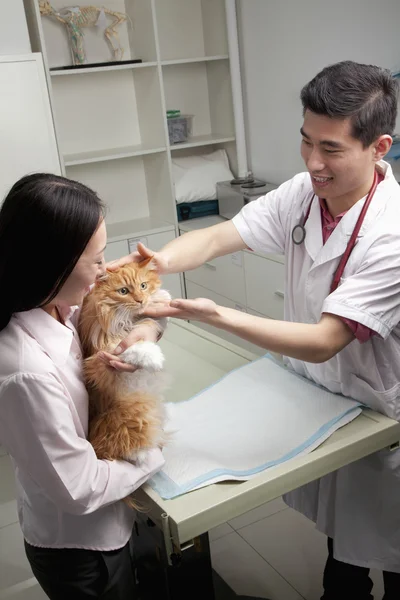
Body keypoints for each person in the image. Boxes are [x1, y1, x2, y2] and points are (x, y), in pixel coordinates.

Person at [112, 61, 400, 599]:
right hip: (322, 397)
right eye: (306, 142)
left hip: (380, 413)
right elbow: (223, 235)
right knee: (343, 560)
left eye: (332, 149)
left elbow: (323, 341)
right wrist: (155, 264)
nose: (314, 162)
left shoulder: (392, 235)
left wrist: (212, 314)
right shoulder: (303, 192)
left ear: (379, 147)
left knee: (391, 548)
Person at [0, 173, 165, 599]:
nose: (105, 270)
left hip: (101, 524)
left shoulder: (55, 306)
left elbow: (127, 318)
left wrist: (145, 329)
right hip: (78, 547)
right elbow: (80, 486)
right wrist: (152, 458)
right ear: (53, 263)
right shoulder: (24, 370)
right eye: (96, 260)